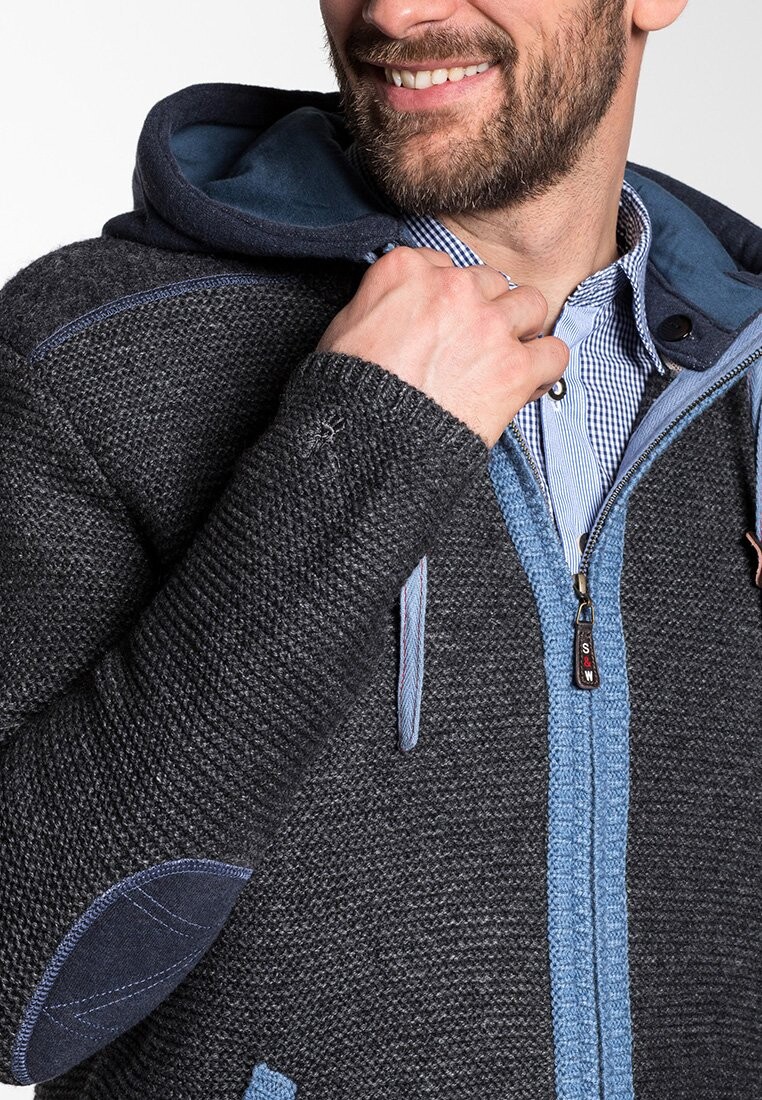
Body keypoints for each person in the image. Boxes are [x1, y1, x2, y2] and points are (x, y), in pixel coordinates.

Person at [0, 0, 760, 1097]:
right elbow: (20, 985)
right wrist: (364, 445)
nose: (397, 11)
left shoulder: (750, 401)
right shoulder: (92, 358)